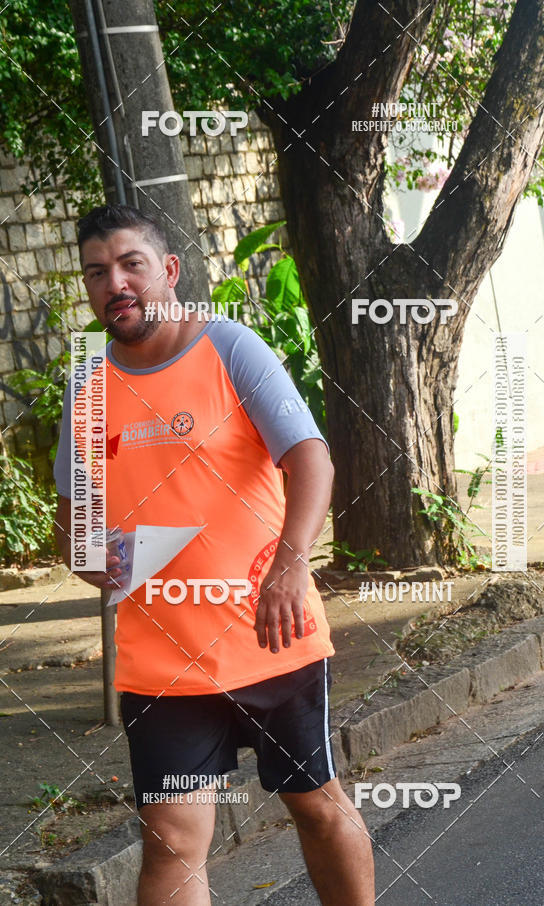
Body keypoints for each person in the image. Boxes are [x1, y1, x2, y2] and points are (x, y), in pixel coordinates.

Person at [52, 204, 375, 906]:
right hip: (162, 658)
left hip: (271, 639)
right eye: (96, 273)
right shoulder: (87, 393)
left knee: (315, 807)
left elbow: (310, 458)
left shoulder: (230, 347)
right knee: (171, 844)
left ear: (168, 271)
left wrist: (293, 563)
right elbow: (73, 525)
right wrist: (91, 558)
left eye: (131, 264)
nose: (116, 283)